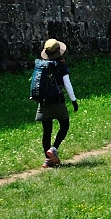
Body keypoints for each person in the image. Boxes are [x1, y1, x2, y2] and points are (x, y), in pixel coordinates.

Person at [34, 38, 78, 167]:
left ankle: (47, 159)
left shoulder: (41, 66)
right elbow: (67, 85)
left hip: (43, 103)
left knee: (47, 131)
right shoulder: (61, 66)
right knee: (64, 125)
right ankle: (54, 149)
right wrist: (74, 101)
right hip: (58, 102)